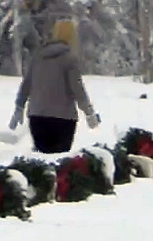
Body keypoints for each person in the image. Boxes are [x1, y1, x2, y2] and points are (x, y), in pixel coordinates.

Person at [9, 19, 101, 154]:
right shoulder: (69, 59)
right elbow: (78, 90)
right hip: (62, 119)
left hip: (37, 117)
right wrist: (89, 113)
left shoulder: (38, 57)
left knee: (43, 161)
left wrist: (19, 107)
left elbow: (26, 85)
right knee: (58, 162)